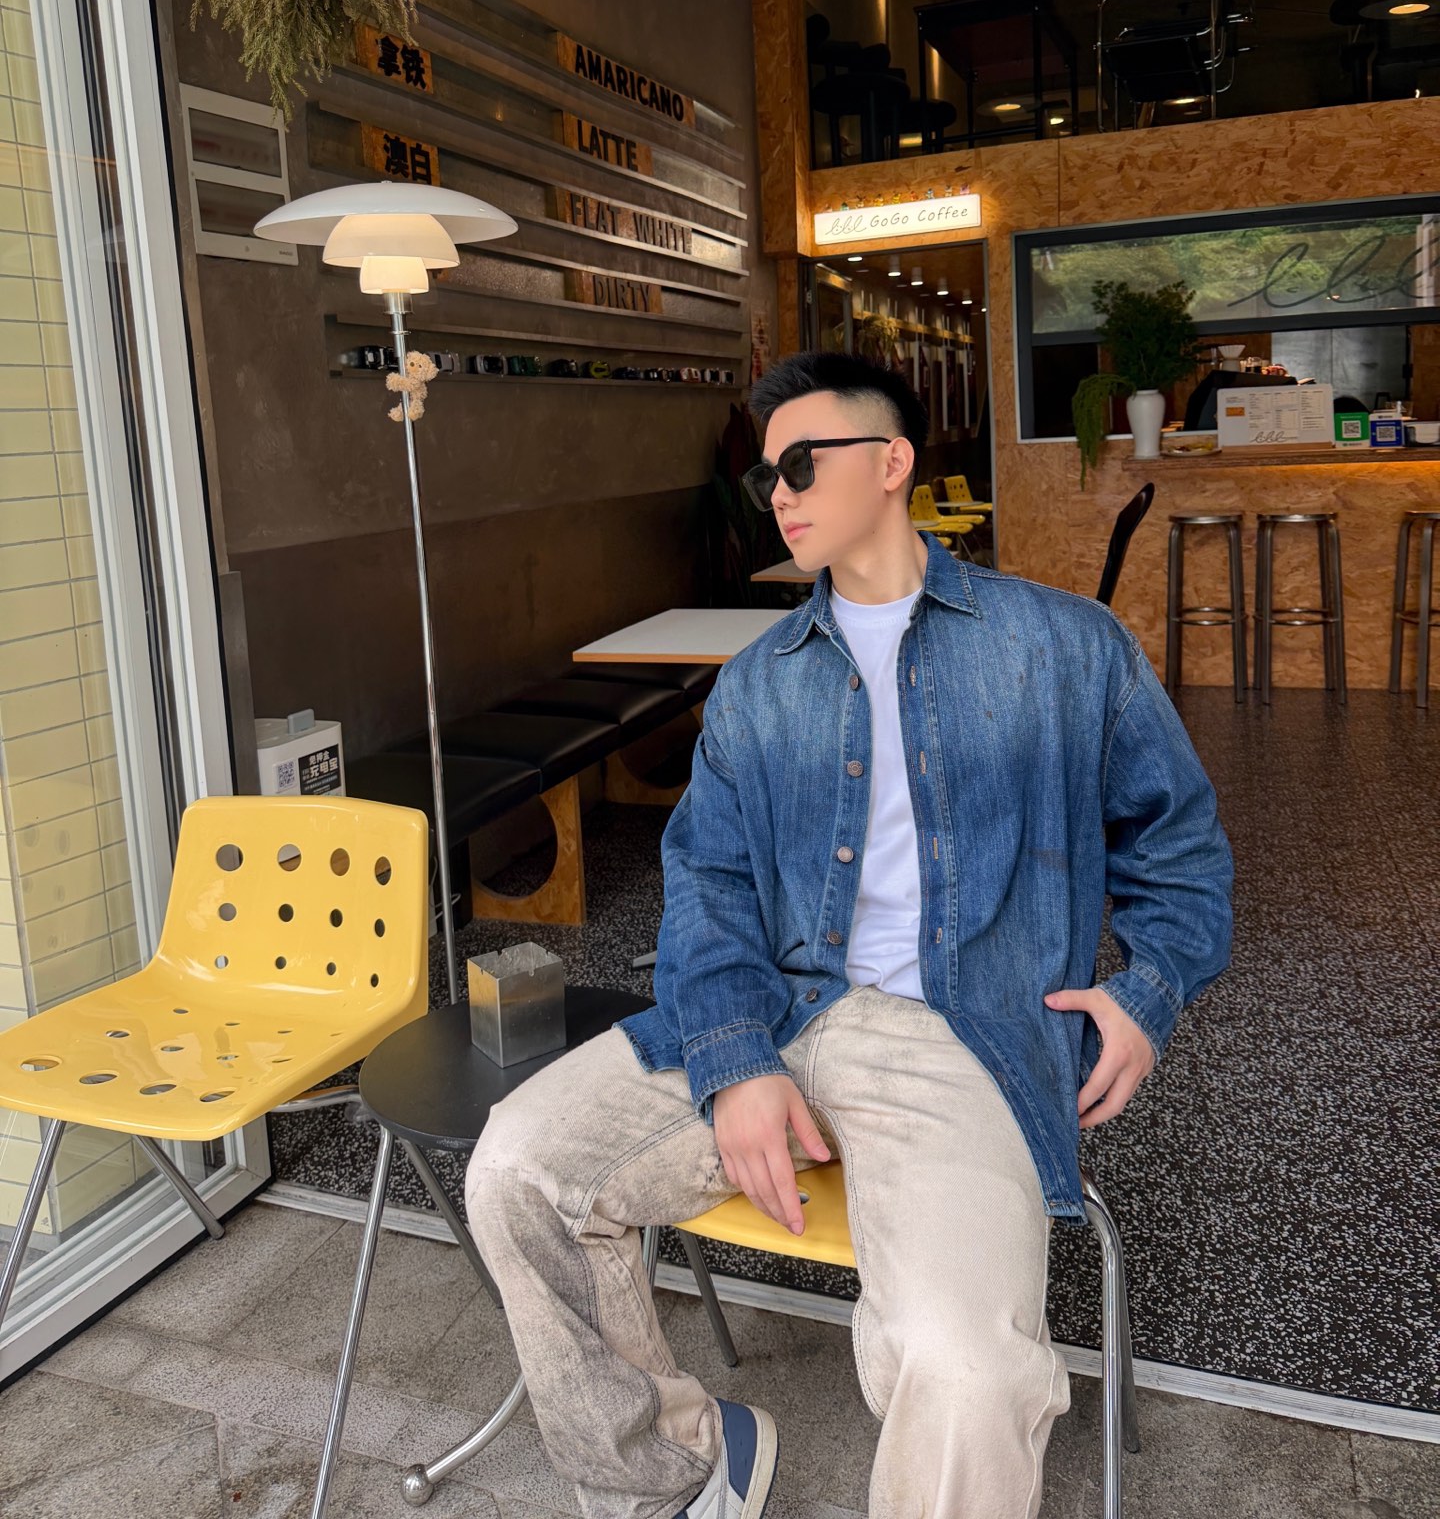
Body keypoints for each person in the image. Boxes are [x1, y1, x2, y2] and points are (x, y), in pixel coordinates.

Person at [465, 349, 1234, 1519]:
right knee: (517, 1170)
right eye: (766, 475)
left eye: (803, 463)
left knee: (969, 1374)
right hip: (770, 1006)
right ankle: (675, 1471)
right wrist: (735, 1059)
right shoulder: (757, 684)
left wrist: (1149, 991)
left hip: (959, 1038)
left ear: (892, 463)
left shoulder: (1063, 649)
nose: (778, 492)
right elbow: (708, 885)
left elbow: (1182, 853)